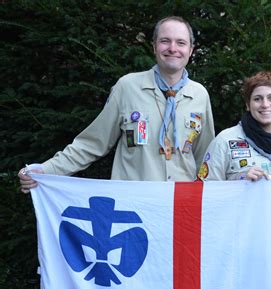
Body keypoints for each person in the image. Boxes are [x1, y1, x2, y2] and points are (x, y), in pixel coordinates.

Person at [18, 16, 215, 193]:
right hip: (133, 203)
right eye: (165, 41)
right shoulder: (127, 87)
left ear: (190, 50)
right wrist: (45, 170)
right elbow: (92, 143)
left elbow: (207, 160)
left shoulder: (199, 95)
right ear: (154, 46)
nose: (173, 48)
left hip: (179, 206)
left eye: (180, 42)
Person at [197, 71, 271, 193]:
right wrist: (239, 180)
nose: (265, 105)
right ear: (248, 105)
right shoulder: (225, 140)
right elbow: (206, 191)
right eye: (257, 99)